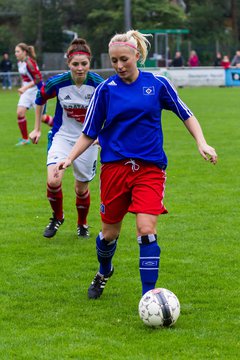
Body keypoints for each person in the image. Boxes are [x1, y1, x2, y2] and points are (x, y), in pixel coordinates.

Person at [55, 30, 218, 300]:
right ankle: (104, 270)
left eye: (124, 60)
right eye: (114, 60)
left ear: (137, 56)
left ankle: (148, 296)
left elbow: (185, 114)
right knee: (109, 234)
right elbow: (89, 131)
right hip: (114, 169)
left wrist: (202, 143)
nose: (119, 66)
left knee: (146, 229)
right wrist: (69, 158)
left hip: (150, 169)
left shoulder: (157, 84)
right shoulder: (106, 90)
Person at [29, 38, 104, 239]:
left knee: (81, 188)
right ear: (68, 64)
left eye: (84, 64)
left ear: (90, 63)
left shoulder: (98, 84)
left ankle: (82, 224)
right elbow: (40, 98)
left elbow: (110, 110)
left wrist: (101, 135)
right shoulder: (58, 83)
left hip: (87, 140)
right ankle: (58, 217)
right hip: (61, 137)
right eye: (75, 64)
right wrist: (36, 129)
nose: (80, 68)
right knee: (53, 180)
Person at [15, 42, 53, 146]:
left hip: (36, 90)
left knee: (42, 117)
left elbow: (37, 79)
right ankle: (25, 139)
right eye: (15, 51)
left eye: (18, 51)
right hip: (27, 91)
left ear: (24, 52)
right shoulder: (20, 62)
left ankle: (61, 127)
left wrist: (24, 88)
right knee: (20, 113)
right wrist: (23, 89)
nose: (16, 54)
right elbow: (26, 78)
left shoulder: (29, 63)